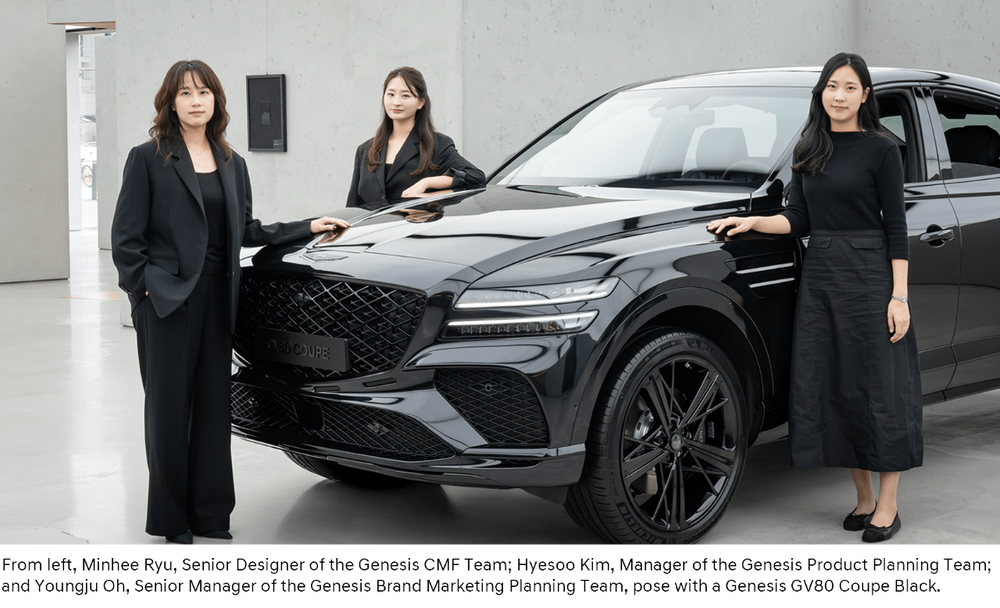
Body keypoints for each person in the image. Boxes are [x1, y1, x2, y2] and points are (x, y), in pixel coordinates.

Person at [111, 60, 350, 546]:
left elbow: (246, 229)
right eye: (185, 93)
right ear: (170, 102)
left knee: (213, 408)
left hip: (219, 299)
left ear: (216, 100)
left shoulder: (231, 161)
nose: (195, 101)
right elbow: (126, 240)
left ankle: (210, 513)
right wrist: (145, 291)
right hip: (167, 303)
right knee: (169, 412)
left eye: (203, 92)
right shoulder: (148, 158)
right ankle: (172, 520)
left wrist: (307, 226)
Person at [707, 52, 922, 543]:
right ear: (821, 92)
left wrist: (899, 297)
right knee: (837, 388)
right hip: (822, 277)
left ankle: (888, 505)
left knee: (881, 391)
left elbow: (896, 226)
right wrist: (752, 221)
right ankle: (863, 498)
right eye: (832, 86)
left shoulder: (883, 149)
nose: (839, 96)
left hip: (871, 277)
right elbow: (798, 219)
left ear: (865, 95)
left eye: (849, 87)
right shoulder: (810, 145)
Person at [346, 66, 485, 209]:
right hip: (373, 224)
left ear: (420, 102)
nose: (396, 102)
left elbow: (476, 177)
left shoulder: (437, 145)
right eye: (391, 94)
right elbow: (352, 207)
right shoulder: (365, 150)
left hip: (414, 223)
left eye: (405, 95)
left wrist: (426, 183)